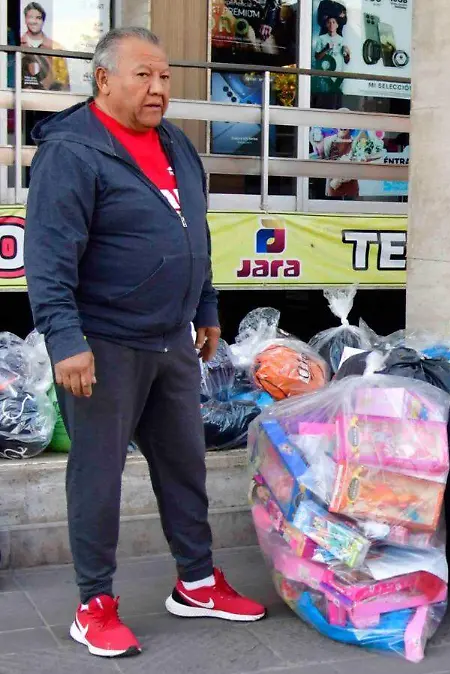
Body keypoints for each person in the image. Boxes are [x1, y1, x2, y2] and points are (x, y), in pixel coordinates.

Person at [24, 27, 266, 659]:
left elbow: (195, 231)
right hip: (102, 343)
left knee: (184, 465)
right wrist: (65, 339)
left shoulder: (175, 143)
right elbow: (48, 257)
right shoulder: (72, 151)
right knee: (98, 475)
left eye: (164, 77)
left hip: (171, 340)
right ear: (103, 79)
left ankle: (197, 582)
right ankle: (94, 605)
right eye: (143, 76)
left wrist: (206, 306)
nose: (158, 88)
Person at [20, 2, 68, 91]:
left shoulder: (56, 48)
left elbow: (63, 83)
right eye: (30, 17)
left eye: (38, 18)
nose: (34, 21)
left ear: (43, 21)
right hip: (20, 97)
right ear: (25, 19)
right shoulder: (16, 45)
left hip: (48, 97)